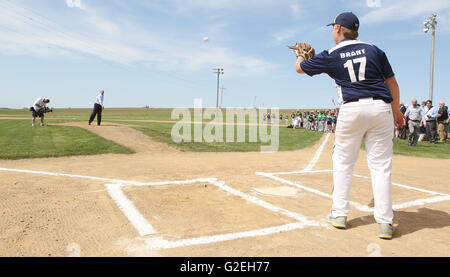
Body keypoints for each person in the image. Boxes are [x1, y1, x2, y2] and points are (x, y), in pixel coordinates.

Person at [295, 12, 403, 239]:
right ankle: (385, 223)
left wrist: (302, 56)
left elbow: (300, 68)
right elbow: (391, 82)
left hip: (351, 109)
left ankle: (339, 214)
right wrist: (396, 113)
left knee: (343, 162)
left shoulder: (332, 54)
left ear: (337, 29)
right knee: (381, 167)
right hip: (381, 107)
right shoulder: (374, 49)